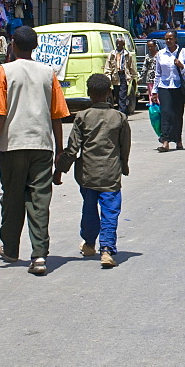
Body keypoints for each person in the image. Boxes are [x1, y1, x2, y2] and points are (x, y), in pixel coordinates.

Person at [0, 26, 70, 276]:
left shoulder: (4, 72)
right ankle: (40, 256)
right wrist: (59, 150)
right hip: (42, 146)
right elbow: (58, 116)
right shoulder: (48, 73)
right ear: (35, 47)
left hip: (13, 146)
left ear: (12, 44)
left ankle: (10, 249)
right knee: (39, 201)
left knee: (11, 199)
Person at [54, 73, 130, 269]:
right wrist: (125, 165)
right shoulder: (120, 118)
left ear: (89, 93)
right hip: (111, 174)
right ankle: (107, 249)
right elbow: (124, 146)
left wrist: (60, 170)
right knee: (110, 212)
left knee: (89, 210)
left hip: (87, 174)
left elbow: (72, 149)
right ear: (109, 93)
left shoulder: (82, 117)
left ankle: (89, 243)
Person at [149, 30, 185, 152]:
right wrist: (154, 91)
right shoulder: (161, 54)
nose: (168, 41)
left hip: (179, 87)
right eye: (166, 39)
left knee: (177, 114)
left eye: (170, 39)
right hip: (164, 87)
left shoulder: (183, 52)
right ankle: (165, 141)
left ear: (175, 39)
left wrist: (182, 66)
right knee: (166, 113)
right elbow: (158, 73)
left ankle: (178, 140)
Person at [102, 37, 137, 115]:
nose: (118, 45)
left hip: (124, 75)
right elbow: (108, 66)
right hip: (115, 76)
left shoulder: (127, 54)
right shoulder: (112, 54)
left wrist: (132, 76)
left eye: (120, 44)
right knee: (117, 94)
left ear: (123, 45)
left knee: (122, 95)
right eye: (117, 43)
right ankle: (120, 110)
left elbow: (131, 66)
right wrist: (108, 76)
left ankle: (122, 113)